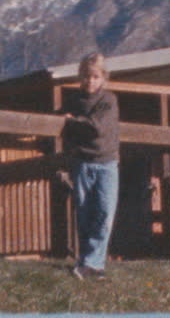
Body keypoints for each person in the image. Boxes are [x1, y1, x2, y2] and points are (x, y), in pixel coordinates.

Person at [61, 52, 119, 280]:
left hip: (107, 162)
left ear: (103, 77)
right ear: (80, 77)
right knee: (84, 213)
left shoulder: (109, 100)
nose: (90, 81)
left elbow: (98, 128)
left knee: (104, 212)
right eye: (86, 76)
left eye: (95, 77)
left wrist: (73, 121)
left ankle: (93, 263)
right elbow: (60, 121)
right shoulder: (74, 101)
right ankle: (89, 264)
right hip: (82, 162)